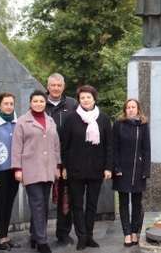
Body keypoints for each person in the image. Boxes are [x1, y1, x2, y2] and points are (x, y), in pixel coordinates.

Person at [61, 85, 113, 250]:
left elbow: (109, 145)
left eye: (88, 97)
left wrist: (108, 167)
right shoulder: (71, 118)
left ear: (94, 99)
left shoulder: (103, 119)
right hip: (75, 169)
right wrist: (64, 166)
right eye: (82, 97)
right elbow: (64, 145)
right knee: (77, 205)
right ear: (78, 100)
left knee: (92, 204)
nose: (85, 100)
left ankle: (89, 235)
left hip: (96, 169)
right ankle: (81, 237)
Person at [11, 90, 61, 253]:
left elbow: (56, 145)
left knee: (43, 205)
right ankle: (42, 241)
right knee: (38, 204)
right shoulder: (22, 121)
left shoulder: (50, 120)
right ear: (30, 103)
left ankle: (34, 234)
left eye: (41, 101)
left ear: (45, 103)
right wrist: (17, 168)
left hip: (48, 169)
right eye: (35, 101)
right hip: (31, 169)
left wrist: (57, 166)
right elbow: (16, 147)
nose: (39, 104)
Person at [45, 73, 78, 245]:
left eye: (59, 85)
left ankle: (63, 233)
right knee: (40, 198)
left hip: (67, 158)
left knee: (66, 196)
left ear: (63, 87)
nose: (56, 88)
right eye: (53, 85)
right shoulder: (40, 103)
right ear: (48, 86)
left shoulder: (72, 104)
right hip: (43, 158)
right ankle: (37, 234)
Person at [112, 99, 151, 247]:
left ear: (138, 109)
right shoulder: (118, 125)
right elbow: (114, 147)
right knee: (123, 203)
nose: (131, 109)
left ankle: (135, 231)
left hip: (138, 170)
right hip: (122, 170)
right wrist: (116, 167)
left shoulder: (143, 125)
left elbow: (146, 149)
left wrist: (146, 170)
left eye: (133, 107)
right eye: (128, 107)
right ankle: (127, 233)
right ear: (125, 110)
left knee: (136, 203)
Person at [0, 92, 20, 251]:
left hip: (14, 169)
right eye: (5, 103)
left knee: (9, 203)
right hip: (0, 171)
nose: (9, 106)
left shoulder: (17, 123)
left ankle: (6, 236)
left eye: (11, 104)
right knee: (2, 203)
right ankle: (1, 239)